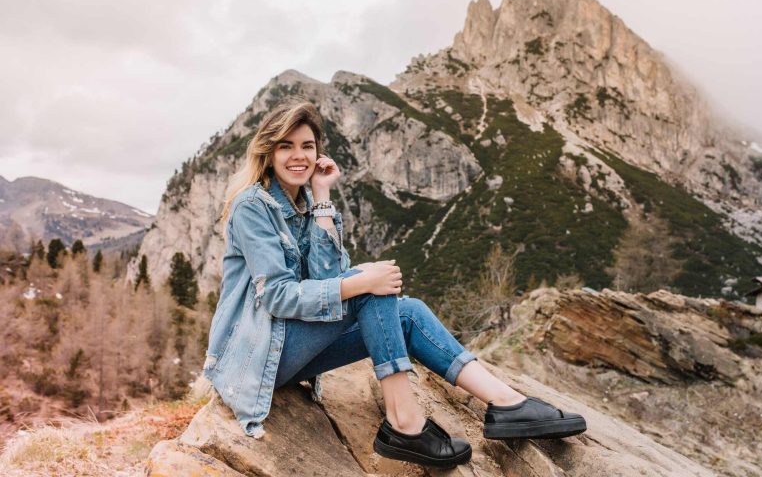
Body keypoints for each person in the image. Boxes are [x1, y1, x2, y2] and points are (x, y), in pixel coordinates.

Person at [204, 95, 587, 468]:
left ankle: (506, 404)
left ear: (318, 151)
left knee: (406, 313)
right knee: (370, 286)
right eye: (286, 146)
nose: (298, 155)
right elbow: (279, 297)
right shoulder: (252, 206)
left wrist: (322, 195)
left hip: (291, 348)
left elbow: (325, 279)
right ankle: (405, 423)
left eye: (307, 145)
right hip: (258, 353)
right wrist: (362, 280)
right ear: (268, 151)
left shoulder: (306, 203)